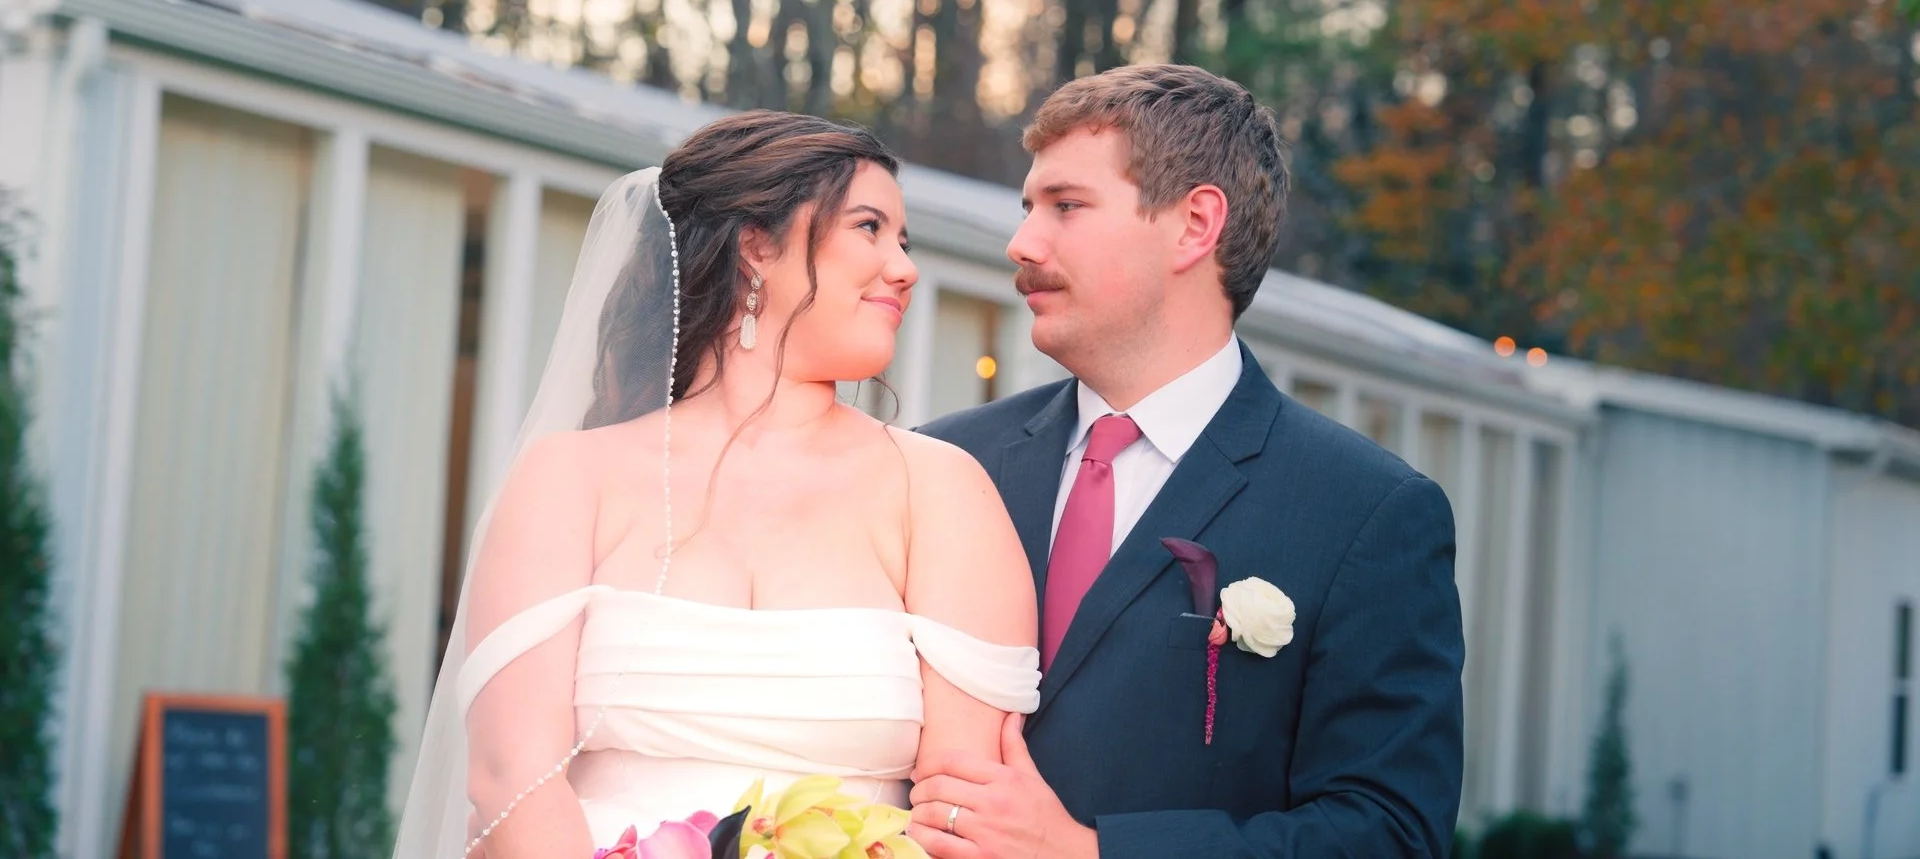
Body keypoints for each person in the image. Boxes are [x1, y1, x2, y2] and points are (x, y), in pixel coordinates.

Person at [393, 111, 1041, 858]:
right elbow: (512, 777)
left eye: (905, 241)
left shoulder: (940, 490)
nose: (904, 268)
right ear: (755, 246)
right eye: (869, 227)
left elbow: (964, 805)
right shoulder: (570, 478)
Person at [906, 64, 1466, 858]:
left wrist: (1089, 852)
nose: (1022, 243)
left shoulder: (1366, 513)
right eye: (1029, 208)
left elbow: (1390, 833)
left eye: (1066, 206)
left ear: (1195, 225)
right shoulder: (944, 463)